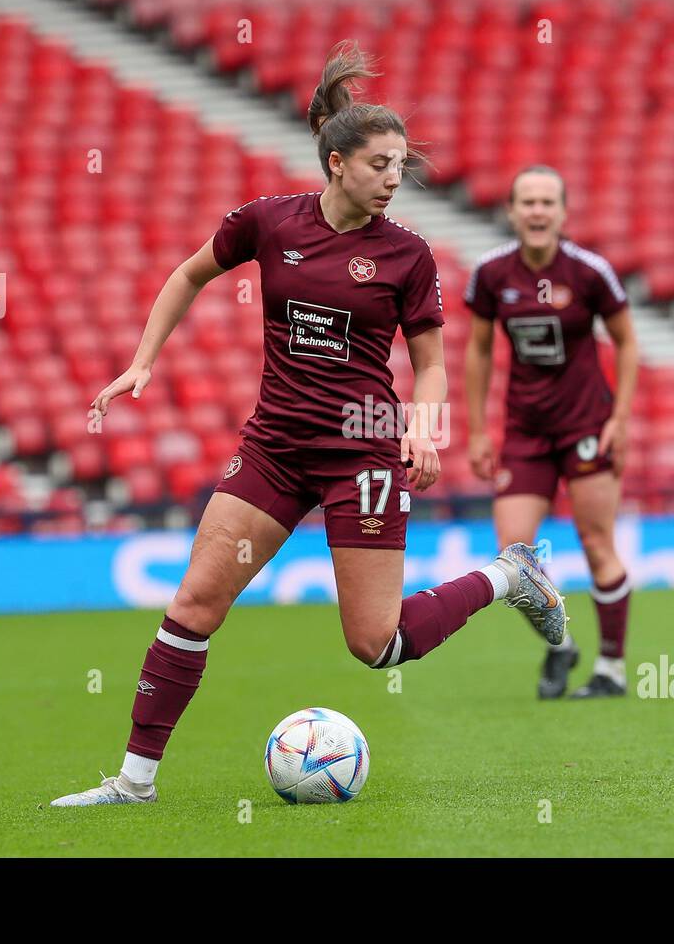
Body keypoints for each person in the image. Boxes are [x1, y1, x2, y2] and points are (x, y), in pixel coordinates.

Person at [51, 44, 567, 807]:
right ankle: (134, 783)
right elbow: (190, 272)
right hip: (276, 449)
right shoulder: (267, 223)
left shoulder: (407, 256)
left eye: (400, 164)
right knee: (193, 605)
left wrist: (424, 429)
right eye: (379, 163)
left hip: (361, 453)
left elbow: (428, 362)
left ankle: (508, 576)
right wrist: (142, 361)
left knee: (375, 644)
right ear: (336, 163)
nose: (395, 177)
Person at [463, 165, 639, 700]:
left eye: (547, 202)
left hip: (587, 425)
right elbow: (477, 349)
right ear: (512, 211)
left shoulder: (589, 272)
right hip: (526, 431)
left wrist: (621, 418)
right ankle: (561, 644)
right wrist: (476, 430)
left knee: (596, 542)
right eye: (527, 202)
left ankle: (611, 669)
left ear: (562, 213)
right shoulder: (492, 273)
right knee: (514, 555)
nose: (537, 211)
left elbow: (627, 342)